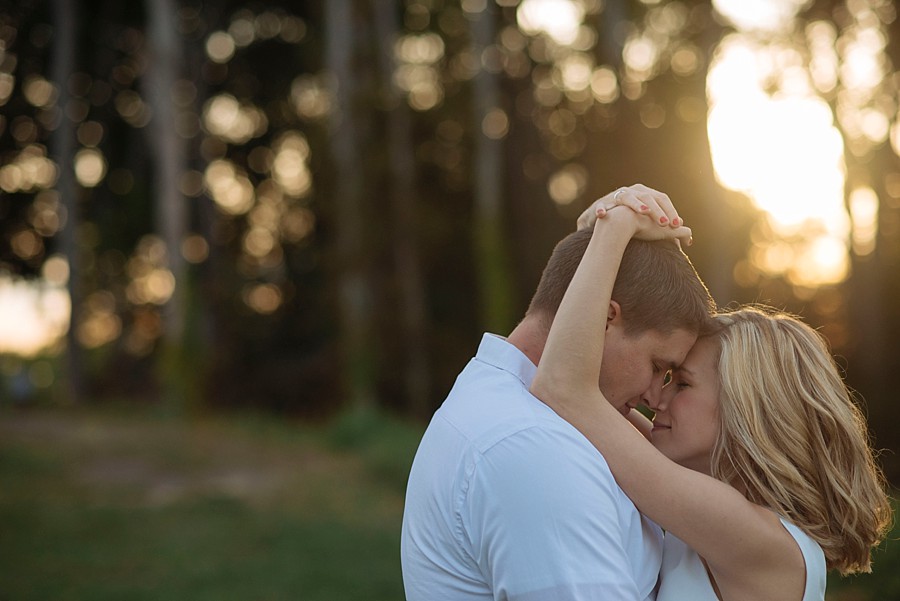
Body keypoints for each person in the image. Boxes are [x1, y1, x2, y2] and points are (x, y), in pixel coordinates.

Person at [529, 203, 893, 600]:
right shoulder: (738, 521)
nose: (655, 398)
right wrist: (599, 241)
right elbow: (590, 397)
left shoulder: (748, 533)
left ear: (745, 410)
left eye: (681, 383)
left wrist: (615, 226)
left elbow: (564, 387)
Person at [401, 184, 715, 600]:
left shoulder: (499, 402)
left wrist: (603, 235)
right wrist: (610, 230)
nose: (655, 398)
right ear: (604, 316)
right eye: (659, 367)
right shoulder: (534, 446)